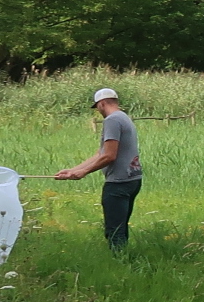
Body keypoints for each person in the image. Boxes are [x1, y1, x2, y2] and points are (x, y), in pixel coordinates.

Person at [51, 88, 142, 252]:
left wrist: (83, 172)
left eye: (97, 107)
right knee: (120, 227)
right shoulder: (124, 117)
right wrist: (72, 170)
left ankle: (120, 265)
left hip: (118, 183)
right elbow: (100, 154)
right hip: (132, 180)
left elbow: (109, 156)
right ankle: (124, 259)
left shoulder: (112, 120)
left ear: (101, 104)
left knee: (114, 231)